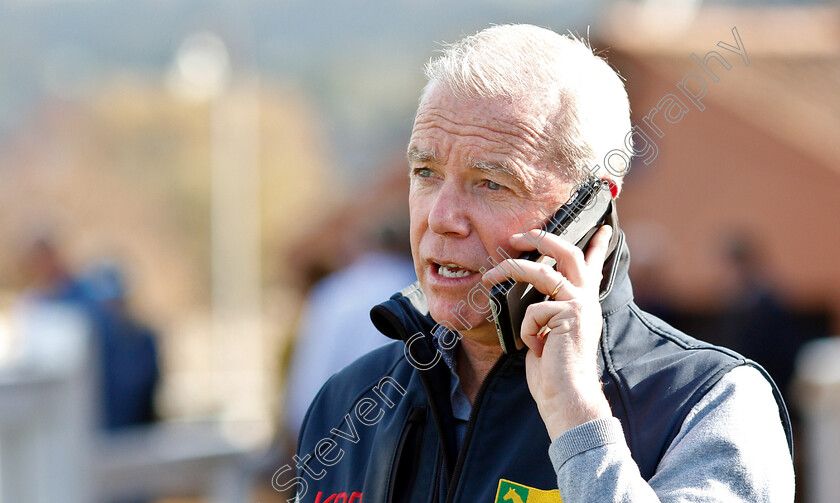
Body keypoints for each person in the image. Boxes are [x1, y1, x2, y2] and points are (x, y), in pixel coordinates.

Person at [289, 25, 794, 502]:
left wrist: (579, 421)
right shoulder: (346, 402)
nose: (441, 218)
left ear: (589, 209)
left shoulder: (710, 402)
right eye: (425, 172)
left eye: (492, 183)